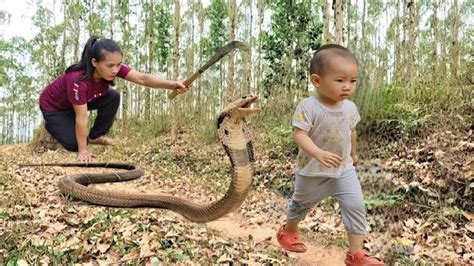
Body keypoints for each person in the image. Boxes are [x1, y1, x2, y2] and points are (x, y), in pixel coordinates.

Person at [276, 44, 384, 265]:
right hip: (312, 171)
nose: (347, 86)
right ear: (317, 80)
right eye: (340, 80)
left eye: (352, 81)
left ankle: (356, 254)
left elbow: (351, 131)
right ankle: (288, 231)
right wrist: (317, 153)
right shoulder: (309, 107)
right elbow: (300, 134)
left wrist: (353, 154)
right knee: (300, 206)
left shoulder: (350, 108)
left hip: (343, 170)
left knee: (356, 205)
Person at [39, 36, 190, 162]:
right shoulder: (78, 80)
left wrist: (173, 85)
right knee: (75, 144)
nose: (115, 70)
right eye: (110, 65)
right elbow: (82, 117)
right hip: (55, 108)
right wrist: (83, 151)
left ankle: (95, 136)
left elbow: (143, 78)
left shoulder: (112, 69)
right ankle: (53, 126)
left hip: (77, 102)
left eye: (118, 65)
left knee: (112, 96)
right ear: (94, 62)